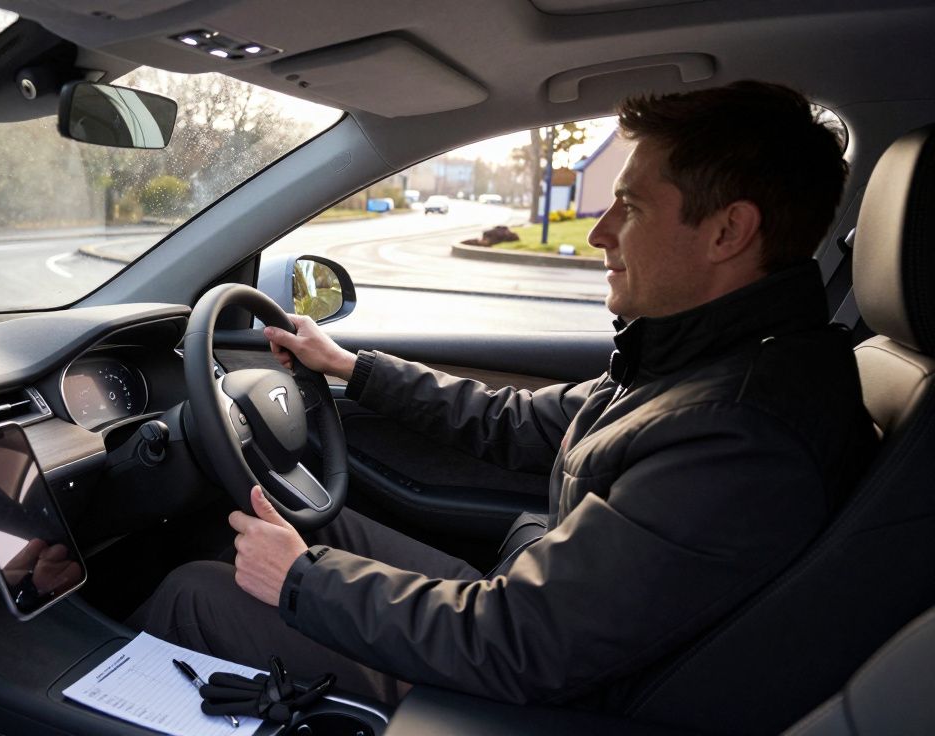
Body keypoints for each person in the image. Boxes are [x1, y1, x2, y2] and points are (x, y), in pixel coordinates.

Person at [129, 80, 878, 711]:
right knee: (306, 528)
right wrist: (350, 369)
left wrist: (299, 582)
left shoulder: (735, 431)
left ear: (728, 232)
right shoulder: (705, 361)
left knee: (197, 592)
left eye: (633, 208)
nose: (600, 234)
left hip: (532, 691)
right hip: (537, 619)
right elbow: (516, 422)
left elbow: (520, 642)